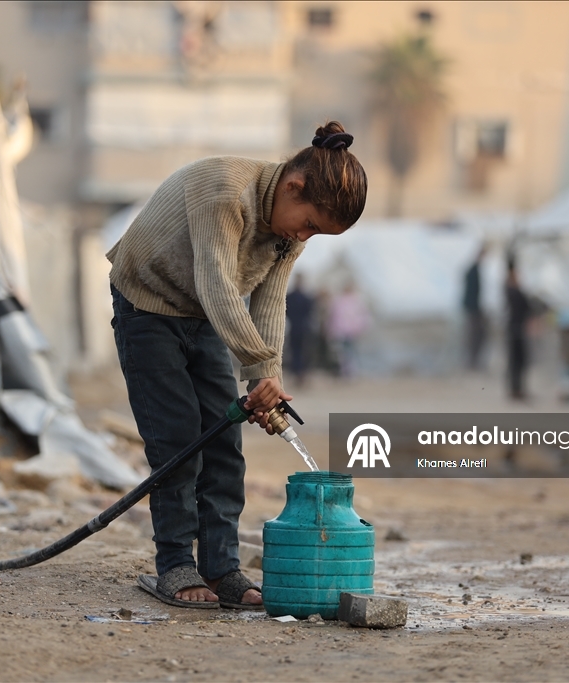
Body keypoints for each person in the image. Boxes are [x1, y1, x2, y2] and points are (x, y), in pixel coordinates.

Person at [106, 122, 367, 609]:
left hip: (203, 316)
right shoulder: (223, 189)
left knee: (225, 444)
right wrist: (259, 366)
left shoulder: (290, 230)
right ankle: (177, 564)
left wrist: (268, 379)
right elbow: (218, 286)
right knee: (178, 441)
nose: (304, 235)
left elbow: (268, 304)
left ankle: (222, 567)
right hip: (147, 307)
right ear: (293, 186)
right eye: (308, 223)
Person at [327, 281, 371, 378]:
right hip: (342, 331)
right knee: (344, 352)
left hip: (353, 331)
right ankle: (346, 371)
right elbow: (334, 317)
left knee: (351, 351)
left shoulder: (356, 301)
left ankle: (352, 371)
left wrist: (360, 327)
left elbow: (363, 316)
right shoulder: (339, 301)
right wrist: (332, 329)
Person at [505, 259, 531, 400]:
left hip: (518, 328)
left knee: (519, 361)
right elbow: (525, 306)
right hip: (515, 329)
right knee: (516, 361)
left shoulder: (512, 290)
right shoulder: (511, 290)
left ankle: (518, 388)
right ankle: (515, 389)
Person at [285, 273, 315, 387]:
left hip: (296, 327)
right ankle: (300, 374)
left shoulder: (290, 296)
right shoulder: (306, 297)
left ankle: (299, 373)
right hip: (302, 328)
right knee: (300, 352)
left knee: (297, 352)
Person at [462, 244, 487, 370]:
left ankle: (473, 362)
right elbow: (472, 292)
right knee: (473, 336)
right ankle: (472, 362)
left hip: (473, 308)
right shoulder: (473, 270)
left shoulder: (474, 269)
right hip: (472, 308)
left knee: (475, 335)